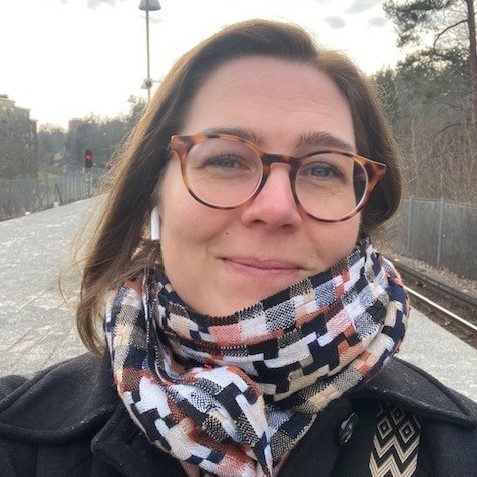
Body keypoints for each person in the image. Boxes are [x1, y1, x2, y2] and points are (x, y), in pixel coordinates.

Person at [0, 19, 476, 477]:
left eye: (322, 169)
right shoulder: (18, 444)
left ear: (361, 212)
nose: (276, 207)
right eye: (227, 159)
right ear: (154, 194)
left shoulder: (460, 452)